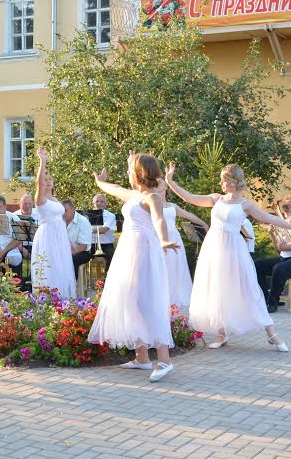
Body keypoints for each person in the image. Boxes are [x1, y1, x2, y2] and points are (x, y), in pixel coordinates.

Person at [165, 162, 291, 352]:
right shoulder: (216, 199)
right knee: (218, 289)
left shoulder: (245, 204)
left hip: (234, 251)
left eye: (223, 180)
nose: (220, 183)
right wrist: (170, 182)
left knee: (248, 289)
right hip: (214, 250)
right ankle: (222, 333)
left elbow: (270, 218)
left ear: (232, 181)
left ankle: (272, 334)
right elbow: (190, 198)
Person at [88, 154, 181, 382]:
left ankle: (165, 360)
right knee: (131, 300)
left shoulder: (153, 197)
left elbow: (159, 220)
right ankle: (141, 358)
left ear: (140, 173)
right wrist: (99, 182)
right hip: (128, 251)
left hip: (145, 251)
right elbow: (113, 188)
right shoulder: (133, 195)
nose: (128, 173)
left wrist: (164, 240)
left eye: (131, 170)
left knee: (148, 301)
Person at [30, 146, 77, 298]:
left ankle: (63, 299)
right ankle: (47, 299)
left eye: (50, 179)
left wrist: (68, 240)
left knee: (61, 266)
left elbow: (61, 220)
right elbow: (39, 184)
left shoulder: (56, 200)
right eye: (45, 179)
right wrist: (42, 162)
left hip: (60, 236)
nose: (47, 181)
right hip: (47, 236)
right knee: (49, 267)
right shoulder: (40, 199)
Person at [156, 179, 207, 313]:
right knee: (162, 268)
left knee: (175, 268)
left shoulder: (172, 206)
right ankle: (161, 298)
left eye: (160, 182)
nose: (157, 184)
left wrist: (204, 224)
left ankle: (175, 299)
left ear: (166, 187)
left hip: (174, 238)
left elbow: (190, 215)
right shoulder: (151, 203)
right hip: (159, 238)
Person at [63, 199, 94, 278]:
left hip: (82, 252)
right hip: (64, 251)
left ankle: (71, 285)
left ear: (73, 210)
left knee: (72, 260)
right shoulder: (59, 220)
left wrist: (67, 253)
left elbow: (84, 246)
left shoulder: (83, 222)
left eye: (65, 211)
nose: (63, 213)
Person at [91, 193, 116, 267]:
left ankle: (107, 277)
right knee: (81, 257)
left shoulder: (110, 215)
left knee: (112, 259)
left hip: (106, 245)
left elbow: (104, 230)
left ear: (105, 204)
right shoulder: (87, 215)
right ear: (93, 203)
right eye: (97, 201)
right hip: (92, 244)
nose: (99, 203)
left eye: (102, 202)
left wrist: (89, 230)